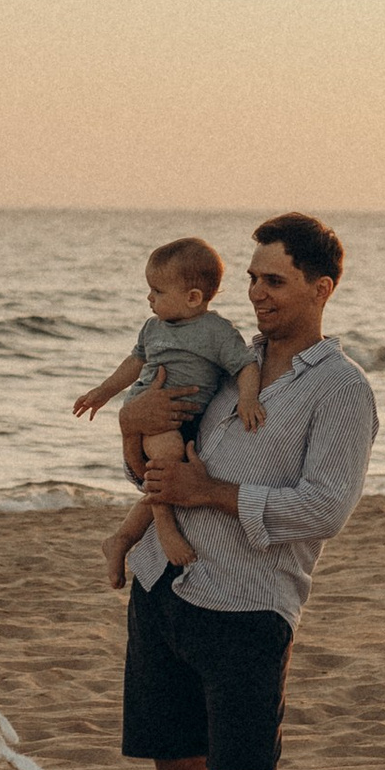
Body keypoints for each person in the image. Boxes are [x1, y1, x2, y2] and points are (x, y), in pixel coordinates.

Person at [116, 212, 376, 770]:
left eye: (274, 281)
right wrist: (134, 421)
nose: (257, 294)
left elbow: (325, 511)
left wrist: (214, 495)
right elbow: (157, 462)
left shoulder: (342, 390)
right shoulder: (220, 356)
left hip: (249, 608)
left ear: (319, 289)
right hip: (162, 589)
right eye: (254, 279)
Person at [74, 235, 266, 590]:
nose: (149, 298)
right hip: (153, 409)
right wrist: (102, 393)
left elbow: (245, 367)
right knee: (168, 460)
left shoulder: (217, 332)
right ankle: (164, 524)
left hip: (185, 420)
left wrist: (248, 399)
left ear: (193, 298)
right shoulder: (153, 328)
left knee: (171, 475)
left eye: (158, 292)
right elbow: (135, 362)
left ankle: (119, 540)